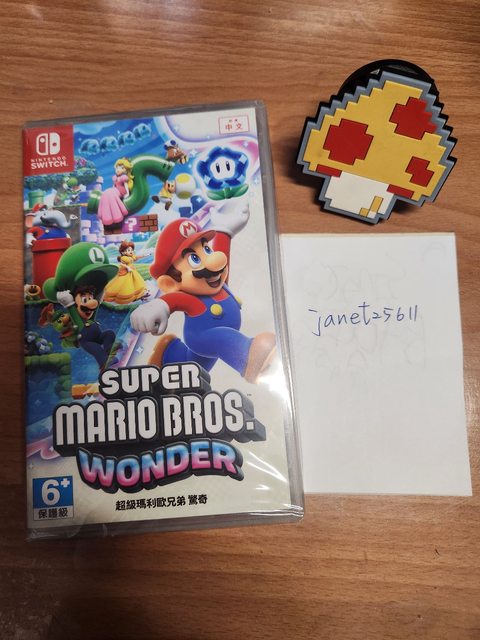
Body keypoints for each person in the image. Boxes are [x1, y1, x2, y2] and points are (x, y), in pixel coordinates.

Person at [130, 203, 276, 383]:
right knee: (222, 338)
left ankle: (170, 356)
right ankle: (247, 358)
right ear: (171, 283)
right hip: (203, 338)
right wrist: (158, 305)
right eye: (194, 259)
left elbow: (222, 254)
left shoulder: (218, 284)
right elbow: (173, 300)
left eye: (207, 249)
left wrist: (224, 229)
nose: (213, 260)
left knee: (195, 367)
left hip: (207, 346)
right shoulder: (192, 299)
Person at [97, 158, 133, 229]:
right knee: (106, 193)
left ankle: (117, 216)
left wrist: (127, 194)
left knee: (110, 195)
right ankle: (105, 217)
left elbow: (126, 186)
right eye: (117, 167)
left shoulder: (123, 177)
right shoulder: (115, 177)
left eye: (122, 168)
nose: (118, 169)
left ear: (125, 170)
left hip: (121, 191)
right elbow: (114, 185)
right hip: (115, 190)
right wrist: (112, 189)